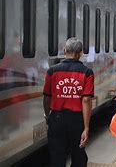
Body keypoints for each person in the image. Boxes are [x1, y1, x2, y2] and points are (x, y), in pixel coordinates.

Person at [43, 38, 94, 167]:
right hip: (76, 120)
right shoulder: (87, 73)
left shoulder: (52, 71)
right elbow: (86, 100)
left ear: (65, 51)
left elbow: (47, 97)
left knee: (57, 155)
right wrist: (86, 127)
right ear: (81, 53)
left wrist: (47, 115)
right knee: (78, 156)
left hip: (56, 118)